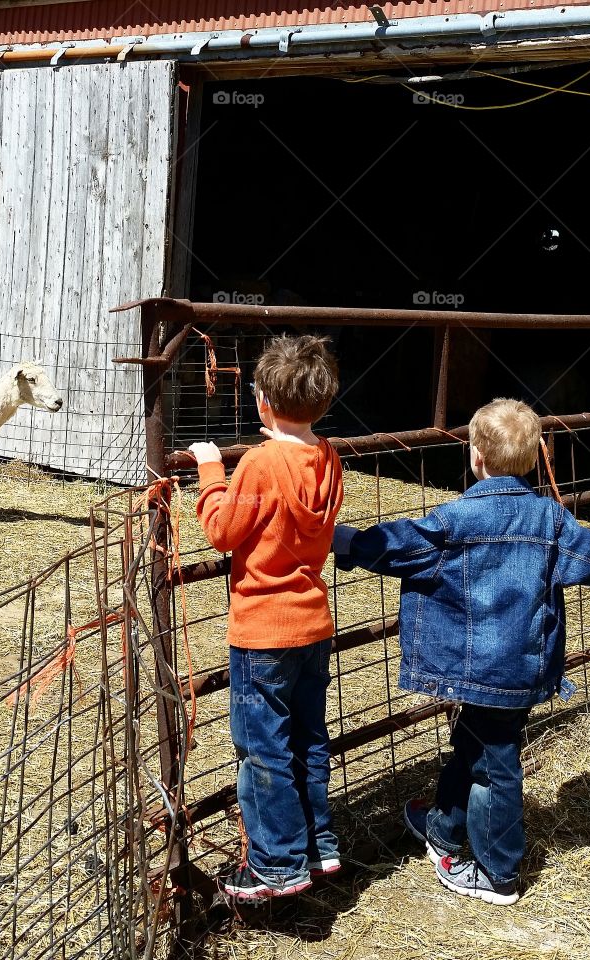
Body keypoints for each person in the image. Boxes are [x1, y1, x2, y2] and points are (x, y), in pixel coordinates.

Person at [333, 398, 590, 905]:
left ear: (476, 456)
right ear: (532, 458)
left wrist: (348, 542)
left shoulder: (456, 519)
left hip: (476, 666)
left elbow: (401, 546)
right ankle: (444, 827)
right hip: (524, 665)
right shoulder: (549, 519)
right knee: (475, 743)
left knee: (495, 766)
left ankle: (497, 872)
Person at [188, 334, 344, 900]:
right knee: (308, 737)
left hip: (264, 630)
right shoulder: (328, 459)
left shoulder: (259, 462)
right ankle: (317, 844)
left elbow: (221, 530)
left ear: (263, 402)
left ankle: (277, 864)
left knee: (264, 746)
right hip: (312, 624)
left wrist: (211, 471)